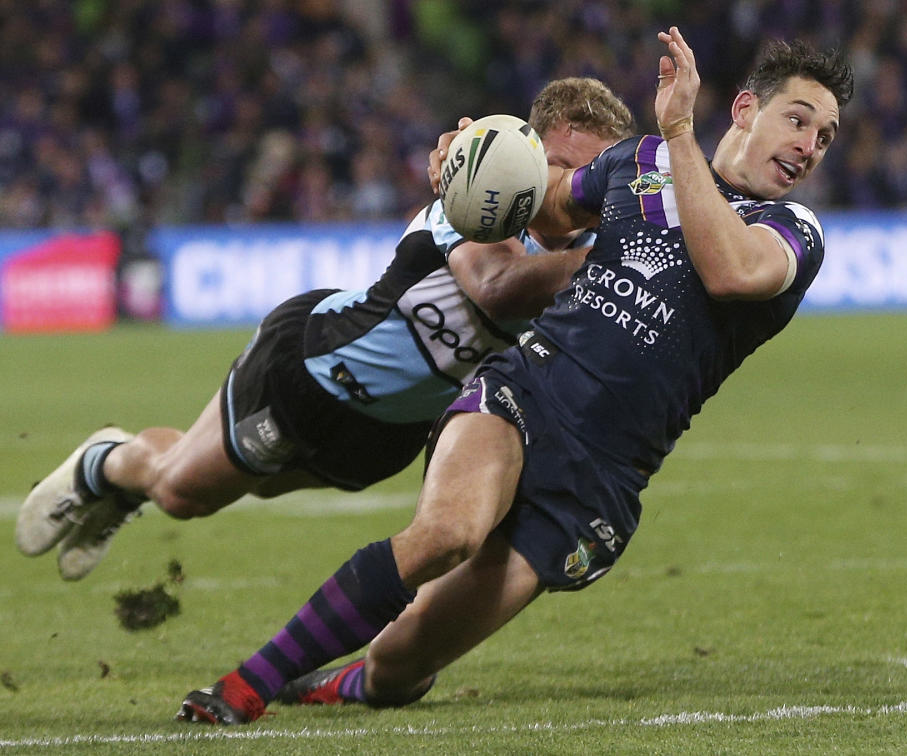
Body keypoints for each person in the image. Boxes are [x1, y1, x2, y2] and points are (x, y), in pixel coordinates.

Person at [165, 26, 853, 725]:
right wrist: (472, 169)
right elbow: (544, 205)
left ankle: (350, 680)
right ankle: (249, 684)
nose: (808, 144)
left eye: (825, 137)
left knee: (402, 663)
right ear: (745, 111)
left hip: (603, 473)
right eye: (798, 120)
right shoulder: (636, 161)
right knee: (448, 532)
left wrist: (678, 132)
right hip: (527, 390)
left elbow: (729, 270)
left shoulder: (792, 232)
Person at [15, 77, 634, 584]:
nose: (574, 190)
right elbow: (498, 287)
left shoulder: (597, 249)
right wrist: (617, 258)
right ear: (525, 157)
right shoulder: (471, 194)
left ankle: (136, 471)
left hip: (387, 435)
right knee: (184, 494)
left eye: (593, 176)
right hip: (313, 369)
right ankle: (109, 467)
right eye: (560, 167)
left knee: (252, 487)